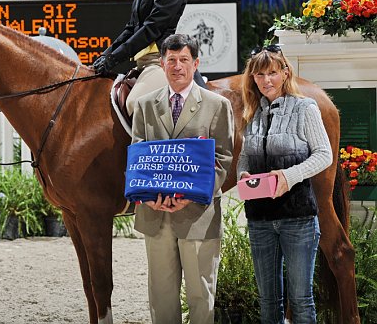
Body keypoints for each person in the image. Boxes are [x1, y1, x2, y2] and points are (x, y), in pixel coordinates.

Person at [131, 34, 234, 323]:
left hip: (197, 215)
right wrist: (150, 197)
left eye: (184, 60)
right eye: (171, 60)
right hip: (155, 215)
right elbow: (139, 157)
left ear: (196, 63)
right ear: (162, 64)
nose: (177, 66)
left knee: (201, 296)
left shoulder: (217, 105)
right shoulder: (145, 105)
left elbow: (224, 160)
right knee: (161, 296)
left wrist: (190, 194)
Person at [237, 45, 331, 323]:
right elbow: (244, 158)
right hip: (259, 219)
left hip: (298, 219)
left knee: (301, 301)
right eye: (260, 74)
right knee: (268, 303)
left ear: (285, 72)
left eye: (272, 73)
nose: (266, 80)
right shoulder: (251, 113)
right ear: (252, 78)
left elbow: (324, 155)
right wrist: (243, 174)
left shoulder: (305, 108)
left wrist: (288, 177)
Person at [92, 0, 205, 116]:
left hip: (161, 61)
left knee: (136, 103)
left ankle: (154, 147)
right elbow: (131, 28)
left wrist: (114, 59)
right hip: (142, 63)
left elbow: (151, 29)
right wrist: (105, 55)